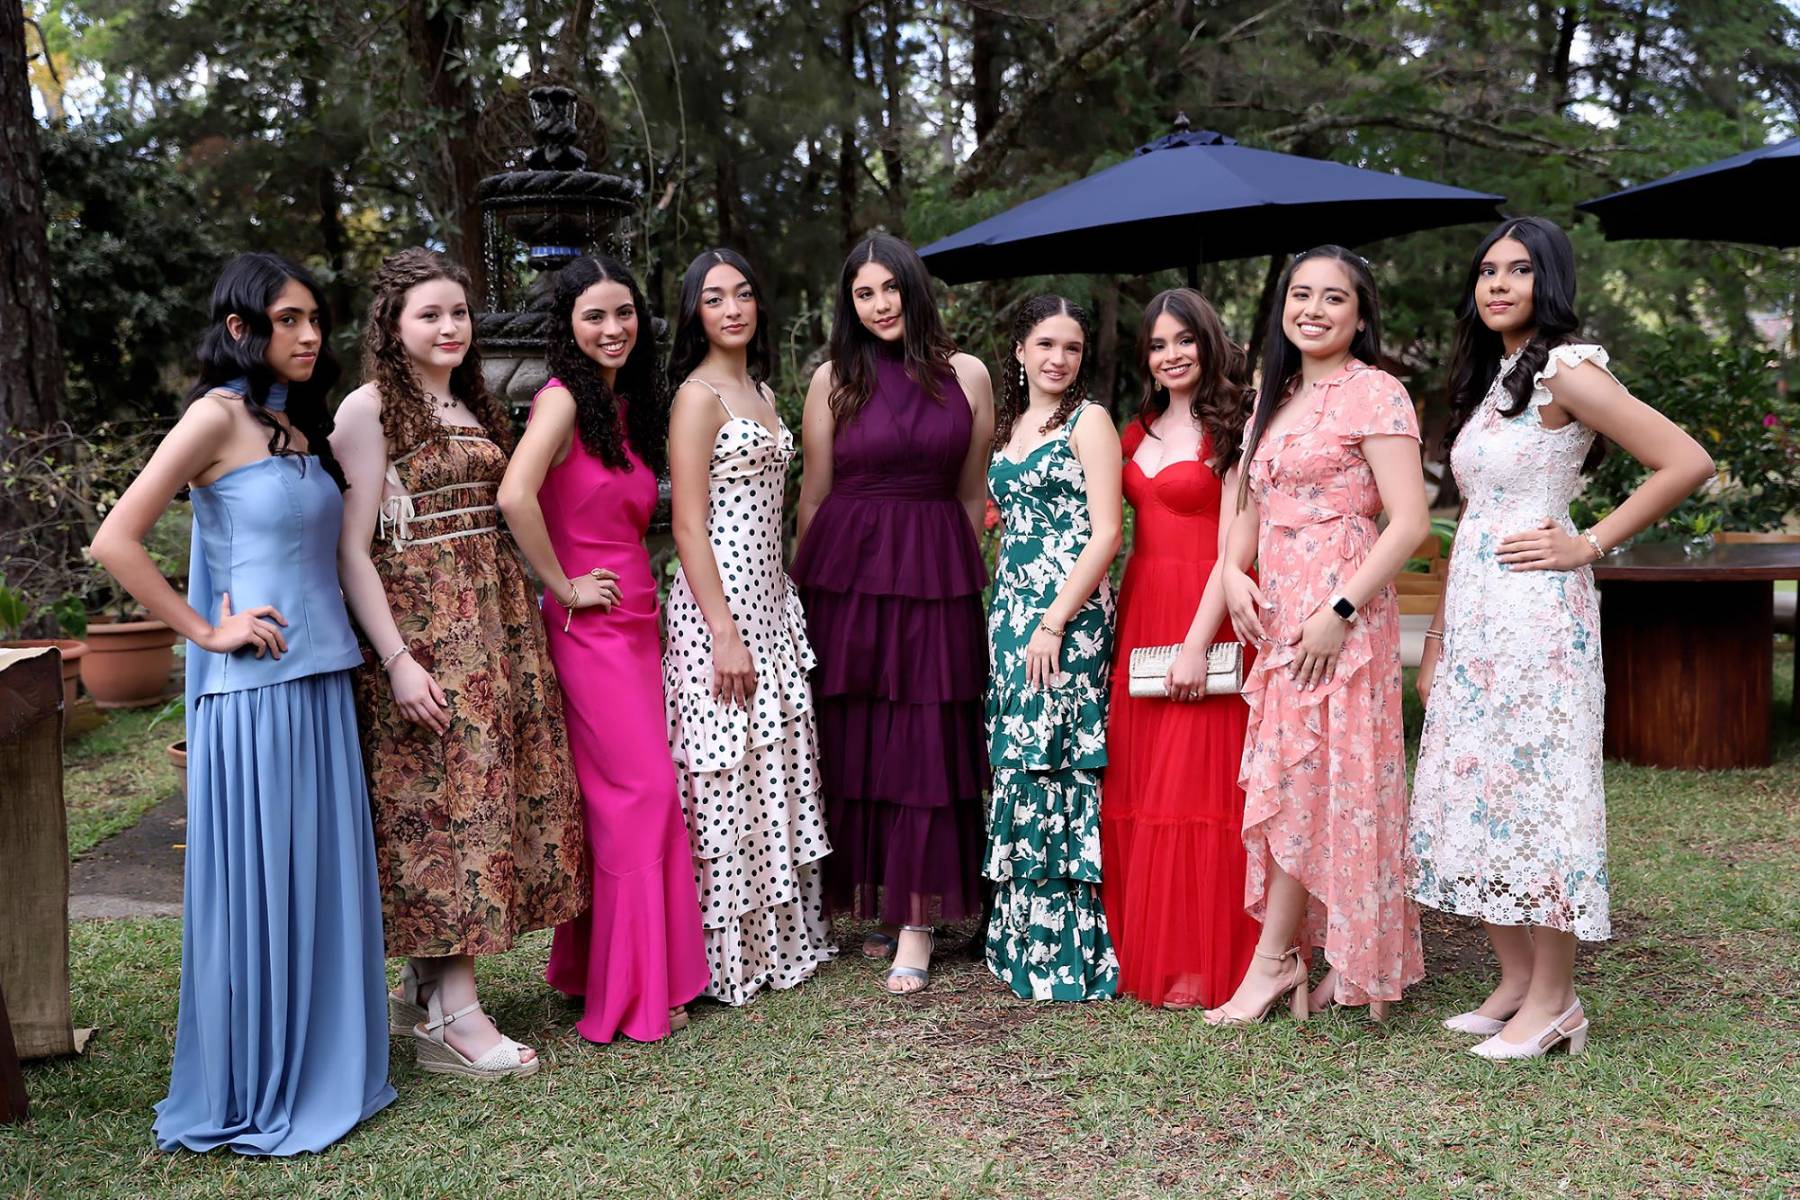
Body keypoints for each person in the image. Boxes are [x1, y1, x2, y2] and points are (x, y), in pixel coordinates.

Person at [90, 252, 394, 1153]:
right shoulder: (212, 419)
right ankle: (263, 1074)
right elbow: (116, 540)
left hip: (322, 685)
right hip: (252, 694)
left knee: (319, 879)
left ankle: (322, 1061)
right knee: (262, 884)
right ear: (241, 329)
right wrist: (204, 630)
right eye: (291, 319)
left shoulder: (292, 426)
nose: (310, 335)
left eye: (315, 320)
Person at [1409, 217, 1714, 1058]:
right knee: (1481, 793)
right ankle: (1513, 983)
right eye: (1487, 272)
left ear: (1551, 280)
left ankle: (1558, 1002)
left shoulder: (1567, 368)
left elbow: (1684, 460)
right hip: (1477, 617)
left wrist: (1589, 542)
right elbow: (1467, 517)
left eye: (1518, 270)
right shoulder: (1496, 376)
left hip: (1540, 618)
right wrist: (1437, 634)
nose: (1498, 284)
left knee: (1540, 798)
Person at [332, 248, 587, 1078]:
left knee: (488, 802)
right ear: (392, 327)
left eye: (458, 313)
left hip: (496, 628)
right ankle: (458, 1020)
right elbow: (353, 550)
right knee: (452, 813)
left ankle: (429, 988)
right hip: (428, 634)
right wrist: (399, 659)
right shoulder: (369, 410)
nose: (449, 327)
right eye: (429, 315)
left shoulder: (470, 401)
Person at [1208, 246, 1430, 1026]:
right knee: (1297, 777)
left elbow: (1408, 523)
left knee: (1317, 782)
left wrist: (1339, 612)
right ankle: (1327, 956)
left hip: (1340, 615)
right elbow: (1248, 505)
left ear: (1360, 315)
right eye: (1300, 294)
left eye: (1333, 298)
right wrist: (1234, 573)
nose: (1313, 309)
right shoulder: (1278, 393)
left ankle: (1277, 963)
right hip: (1279, 613)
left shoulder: (1375, 393)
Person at [496, 254, 709, 1042]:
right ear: (568, 327)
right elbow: (515, 494)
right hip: (591, 629)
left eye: (624, 314)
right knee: (641, 793)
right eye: (595, 316)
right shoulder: (557, 402)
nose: (613, 329)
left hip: (640, 621)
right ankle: (629, 989)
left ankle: (612, 970)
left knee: (631, 799)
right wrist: (561, 584)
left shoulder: (619, 407)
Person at [792, 233, 994, 995]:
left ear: (915, 289)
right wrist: (794, 589)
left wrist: (956, 573)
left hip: (935, 566)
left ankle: (918, 918)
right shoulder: (832, 380)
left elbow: (973, 491)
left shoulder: (967, 374)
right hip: (845, 568)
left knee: (925, 736)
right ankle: (877, 899)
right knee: (858, 734)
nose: (880, 306)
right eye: (863, 294)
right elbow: (813, 493)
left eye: (890, 289)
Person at [663, 247, 835, 1004]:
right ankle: (722, 955)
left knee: (774, 768)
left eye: (741, 295)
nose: (731, 309)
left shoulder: (762, 390)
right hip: (718, 607)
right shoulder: (697, 397)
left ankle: (781, 940)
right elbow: (688, 526)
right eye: (713, 299)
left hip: (770, 600)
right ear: (694, 314)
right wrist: (723, 630)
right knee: (725, 773)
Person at [1102, 288, 1261, 1009]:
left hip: (1208, 609)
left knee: (1200, 785)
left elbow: (1235, 545)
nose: (1171, 356)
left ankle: (1207, 958)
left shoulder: (1234, 424)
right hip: (1142, 608)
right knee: (1143, 781)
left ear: (1208, 342)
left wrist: (1198, 644)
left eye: (1184, 341)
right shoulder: (1132, 431)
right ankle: (1149, 944)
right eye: (1158, 344)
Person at [982, 295, 1122, 1002]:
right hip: (1010, 614)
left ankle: (1067, 947)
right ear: (1020, 352)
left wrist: (1056, 619)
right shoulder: (1010, 426)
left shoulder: (1088, 421)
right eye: (1045, 344)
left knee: (1059, 760)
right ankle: (1017, 937)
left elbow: (1106, 532)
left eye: (1071, 346)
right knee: (1019, 760)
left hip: (1068, 618)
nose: (1058, 358)